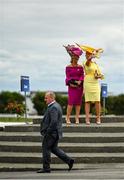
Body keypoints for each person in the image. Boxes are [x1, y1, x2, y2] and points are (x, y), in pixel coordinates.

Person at [37, 91, 74, 173]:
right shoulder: (55, 105)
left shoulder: (53, 107)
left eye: (46, 98)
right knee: (54, 148)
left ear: (51, 98)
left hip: (52, 133)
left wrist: (48, 132)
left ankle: (46, 168)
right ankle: (69, 160)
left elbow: (53, 122)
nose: (45, 99)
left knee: (46, 148)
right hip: (55, 133)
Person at [77, 44, 104, 125]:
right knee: (87, 101)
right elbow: (88, 61)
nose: (86, 55)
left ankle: (98, 118)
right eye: (86, 54)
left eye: (87, 54)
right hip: (88, 82)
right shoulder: (85, 62)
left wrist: (98, 76)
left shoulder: (95, 64)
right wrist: (94, 53)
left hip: (95, 83)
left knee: (98, 101)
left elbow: (100, 74)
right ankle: (87, 118)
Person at [64, 44, 84, 125]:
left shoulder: (80, 67)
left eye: (77, 58)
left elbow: (82, 75)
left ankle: (77, 118)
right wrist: (70, 84)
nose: (76, 59)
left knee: (78, 103)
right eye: (75, 58)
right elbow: (67, 77)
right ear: (72, 58)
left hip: (79, 87)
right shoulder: (68, 67)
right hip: (71, 86)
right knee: (71, 103)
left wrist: (80, 81)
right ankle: (67, 117)